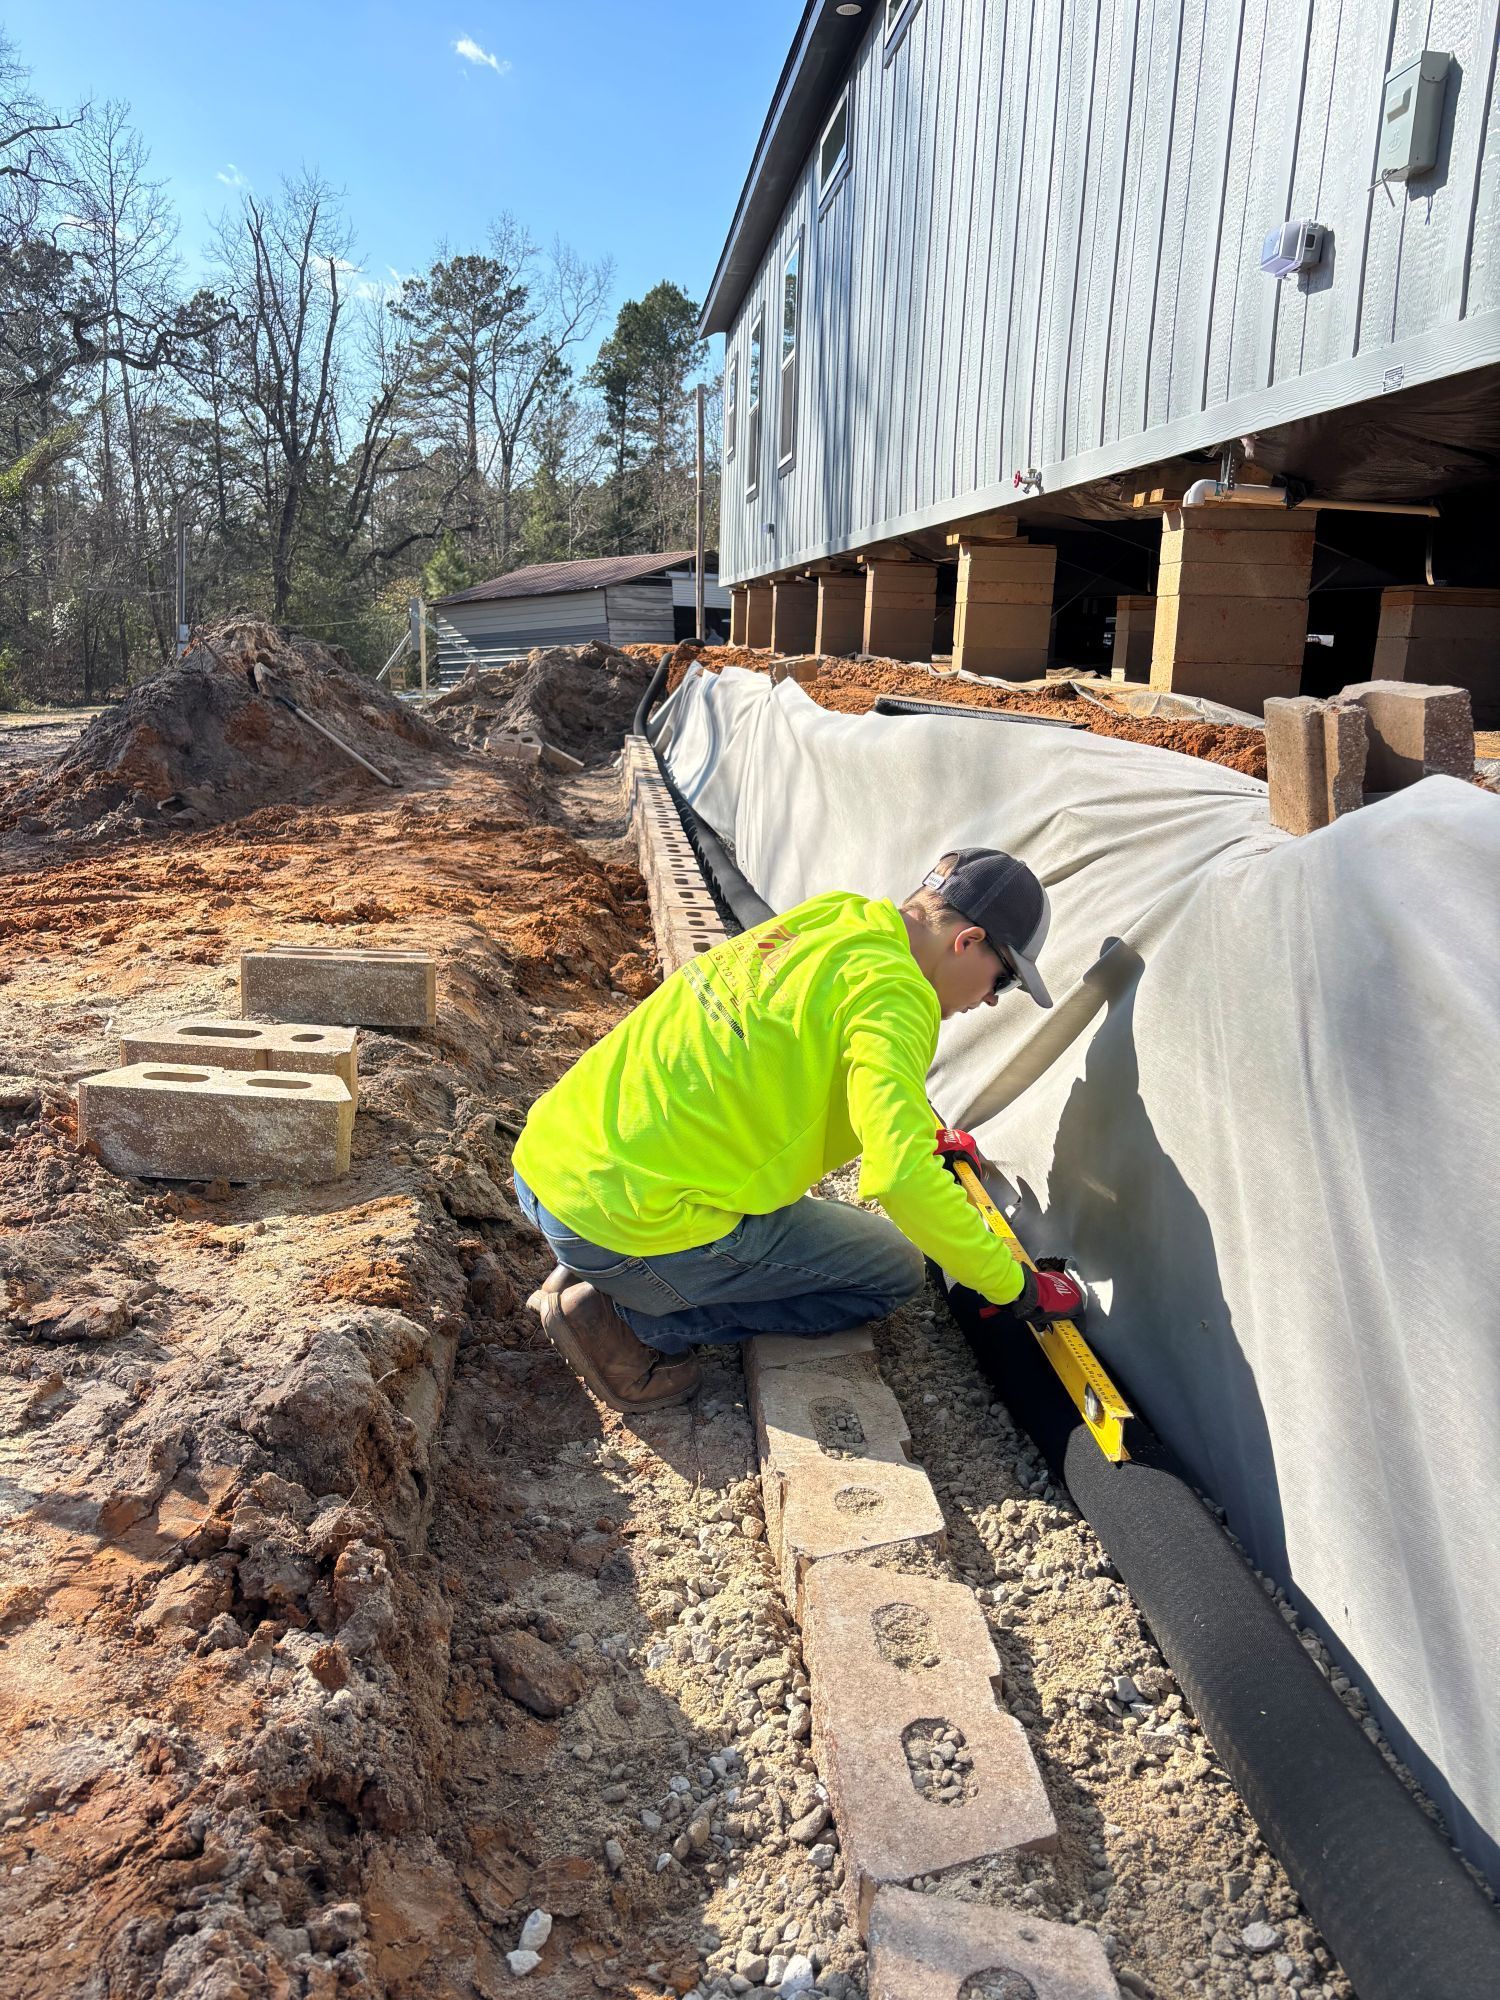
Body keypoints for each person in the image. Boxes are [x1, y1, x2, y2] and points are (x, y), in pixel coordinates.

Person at [512, 848, 1086, 1412]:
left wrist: (913, 1125)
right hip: (622, 1222)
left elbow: (802, 1046)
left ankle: (602, 1263)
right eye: (1003, 979)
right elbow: (903, 1181)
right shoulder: (900, 997)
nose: (989, 1000)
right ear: (968, 941)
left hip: (551, 1164)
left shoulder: (837, 916)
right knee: (891, 1270)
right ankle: (624, 1323)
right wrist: (1018, 1288)